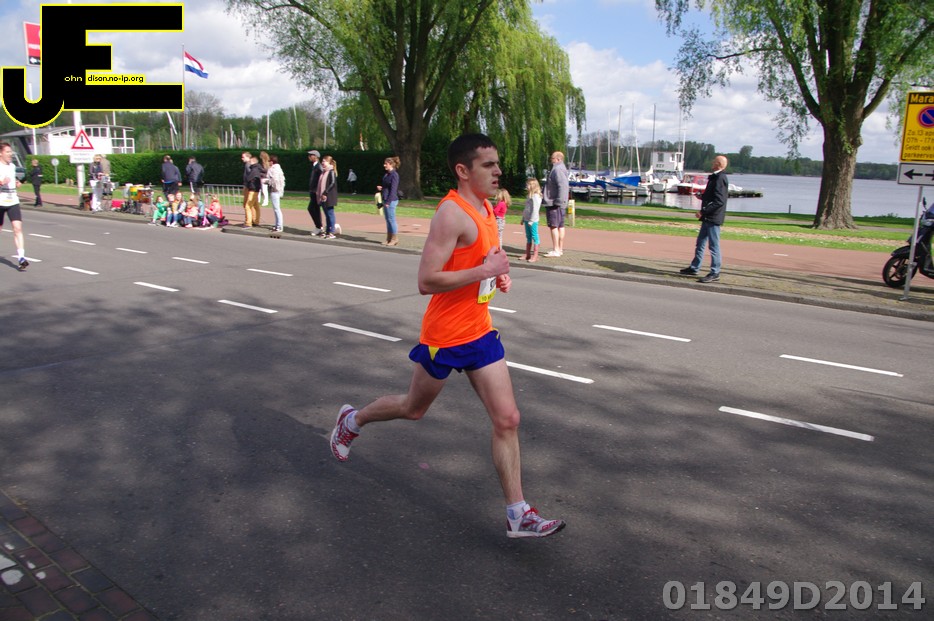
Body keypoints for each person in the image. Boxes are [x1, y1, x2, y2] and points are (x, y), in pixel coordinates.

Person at [329, 133, 566, 539]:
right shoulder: (451, 214)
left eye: (497, 163)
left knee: (508, 418)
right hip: (445, 336)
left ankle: (518, 513)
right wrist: (484, 271)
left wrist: (498, 275)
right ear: (463, 171)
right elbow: (426, 280)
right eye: (488, 165)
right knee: (413, 408)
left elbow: (483, 260)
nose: (498, 171)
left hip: (480, 331)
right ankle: (352, 420)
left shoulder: (486, 207)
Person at [679, 155, 729, 283]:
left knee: (713, 245)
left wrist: (703, 211)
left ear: (718, 164)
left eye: (714, 161)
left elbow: (719, 201)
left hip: (713, 217)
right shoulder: (715, 177)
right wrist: (702, 196)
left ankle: (715, 272)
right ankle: (695, 267)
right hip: (708, 217)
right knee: (700, 242)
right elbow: (712, 196)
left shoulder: (720, 178)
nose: (712, 162)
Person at [0, 142, 29, 271]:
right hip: (0, 201)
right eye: (7, 152)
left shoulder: (12, 166)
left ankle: (21, 258)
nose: (10, 154)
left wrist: (16, 182)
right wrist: (1, 182)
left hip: (12, 200)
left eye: (10, 151)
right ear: (0, 153)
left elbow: (12, 178)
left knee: (17, 228)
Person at [542, 151, 569, 257]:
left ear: (558, 159)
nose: (551, 160)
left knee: (554, 226)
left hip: (554, 202)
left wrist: (558, 200)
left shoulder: (557, 169)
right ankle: (559, 249)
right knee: (560, 226)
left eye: (552, 158)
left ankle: (556, 249)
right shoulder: (562, 168)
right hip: (559, 202)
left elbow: (562, 186)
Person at [378, 156, 401, 246]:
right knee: (388, 220)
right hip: (385, 199)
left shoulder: (394, 175)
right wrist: (382, 188)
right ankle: (389, 238)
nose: (384, 165)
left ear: (391, 164)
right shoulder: (387, 174)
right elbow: (387, 187)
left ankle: (395, 239)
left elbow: (393, 190)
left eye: (386, 164)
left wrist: (388, 202)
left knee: (391, 220)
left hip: (391, 200)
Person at [317, 155, 339, 238]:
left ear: (329, 162)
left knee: (330, 214)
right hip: (323, 196)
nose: (322, 163)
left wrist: (325, 192)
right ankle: (327, 231)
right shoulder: (323, 172)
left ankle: (331, 232)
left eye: (324, 161)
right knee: (327, 215)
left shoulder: (331, 171)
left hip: (329, 196)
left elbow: (332, 183)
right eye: (322, 161)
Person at [521, 178, 542, 262]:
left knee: (534, 236)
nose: (526, 186)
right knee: (528, 236)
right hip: (527, 219)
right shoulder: (529, 196)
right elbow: (526, 208)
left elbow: (535, 210)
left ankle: (535, 255)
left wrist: (532, 220)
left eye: (528, 185)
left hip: (533, 220)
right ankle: (527, 254)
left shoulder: (536, 196)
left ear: (533, 186)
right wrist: (523, 218)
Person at [266, 154, 286, 232]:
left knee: (277, 209)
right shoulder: (277, 168)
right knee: (276, 209)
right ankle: (277, 224)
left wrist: (267, 181)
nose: (268, 162)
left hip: (275, 190)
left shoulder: (273, 169)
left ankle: (279, 226)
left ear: (272, 161)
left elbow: (275, 180)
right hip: (276, 190)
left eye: (269, 161)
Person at [306, 149, 324, 234]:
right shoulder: (314, 166)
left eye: (311, 155)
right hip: (313, 191)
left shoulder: (318, 167)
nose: (309, 157)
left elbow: (321, 180)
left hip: (315, 192)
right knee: (316, 209)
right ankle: (319, 226)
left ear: (316, 157)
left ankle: (318, 226)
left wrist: (318, 190)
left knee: (311, 208)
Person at [244, 155, 263, 227]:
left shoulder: (254, 170)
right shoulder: (258, 169)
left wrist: (248, 185)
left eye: (250, 161)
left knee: (248, 206)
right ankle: (256, 221)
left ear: (253, 162)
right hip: (256, 189)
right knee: (256, 205)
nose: (249, 163)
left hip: (253, 189)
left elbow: (249, 179)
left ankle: (248, 223)